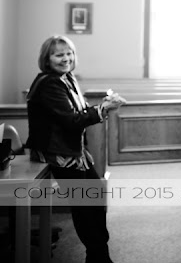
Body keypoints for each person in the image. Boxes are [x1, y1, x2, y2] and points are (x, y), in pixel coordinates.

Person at [25, 35, 125, 263]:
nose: (66, 58)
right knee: (85, 206)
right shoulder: (50, 82)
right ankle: (98, 256)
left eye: (69, 53)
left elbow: (78, 111)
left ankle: (98, 253)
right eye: (59, 54)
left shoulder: (67, 78)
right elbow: (71, 120)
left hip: (74, 151)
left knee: (96, 196)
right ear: (47, 59)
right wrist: (103, 108)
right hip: (59, 153)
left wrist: (100, 107)